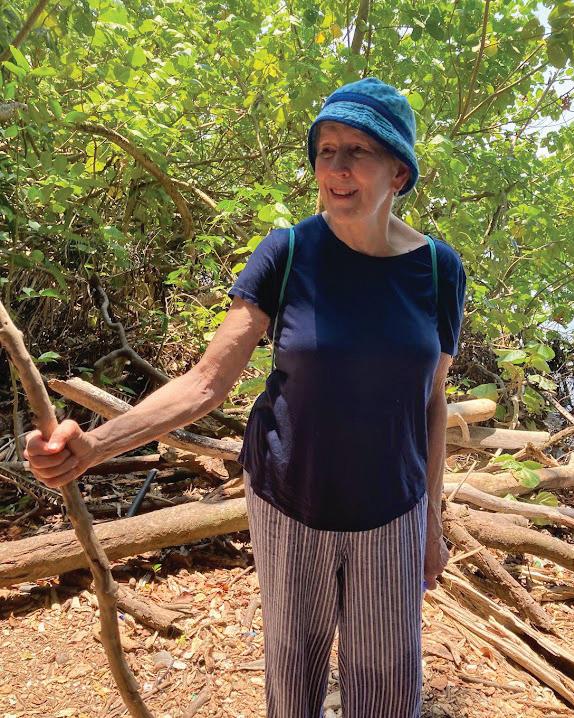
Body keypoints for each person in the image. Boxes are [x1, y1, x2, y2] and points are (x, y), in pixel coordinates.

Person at [26, 77, 466, 717]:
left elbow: (431, 402)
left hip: (392, 511)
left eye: (357, 151)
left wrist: (430, 521)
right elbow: (208, 381)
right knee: (294, 682)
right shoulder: (288, 252)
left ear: (399, 172)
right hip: (291, 501)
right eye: (326, 150)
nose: (336, 168)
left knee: (390, 693)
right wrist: (93, 447)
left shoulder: (439, 271)